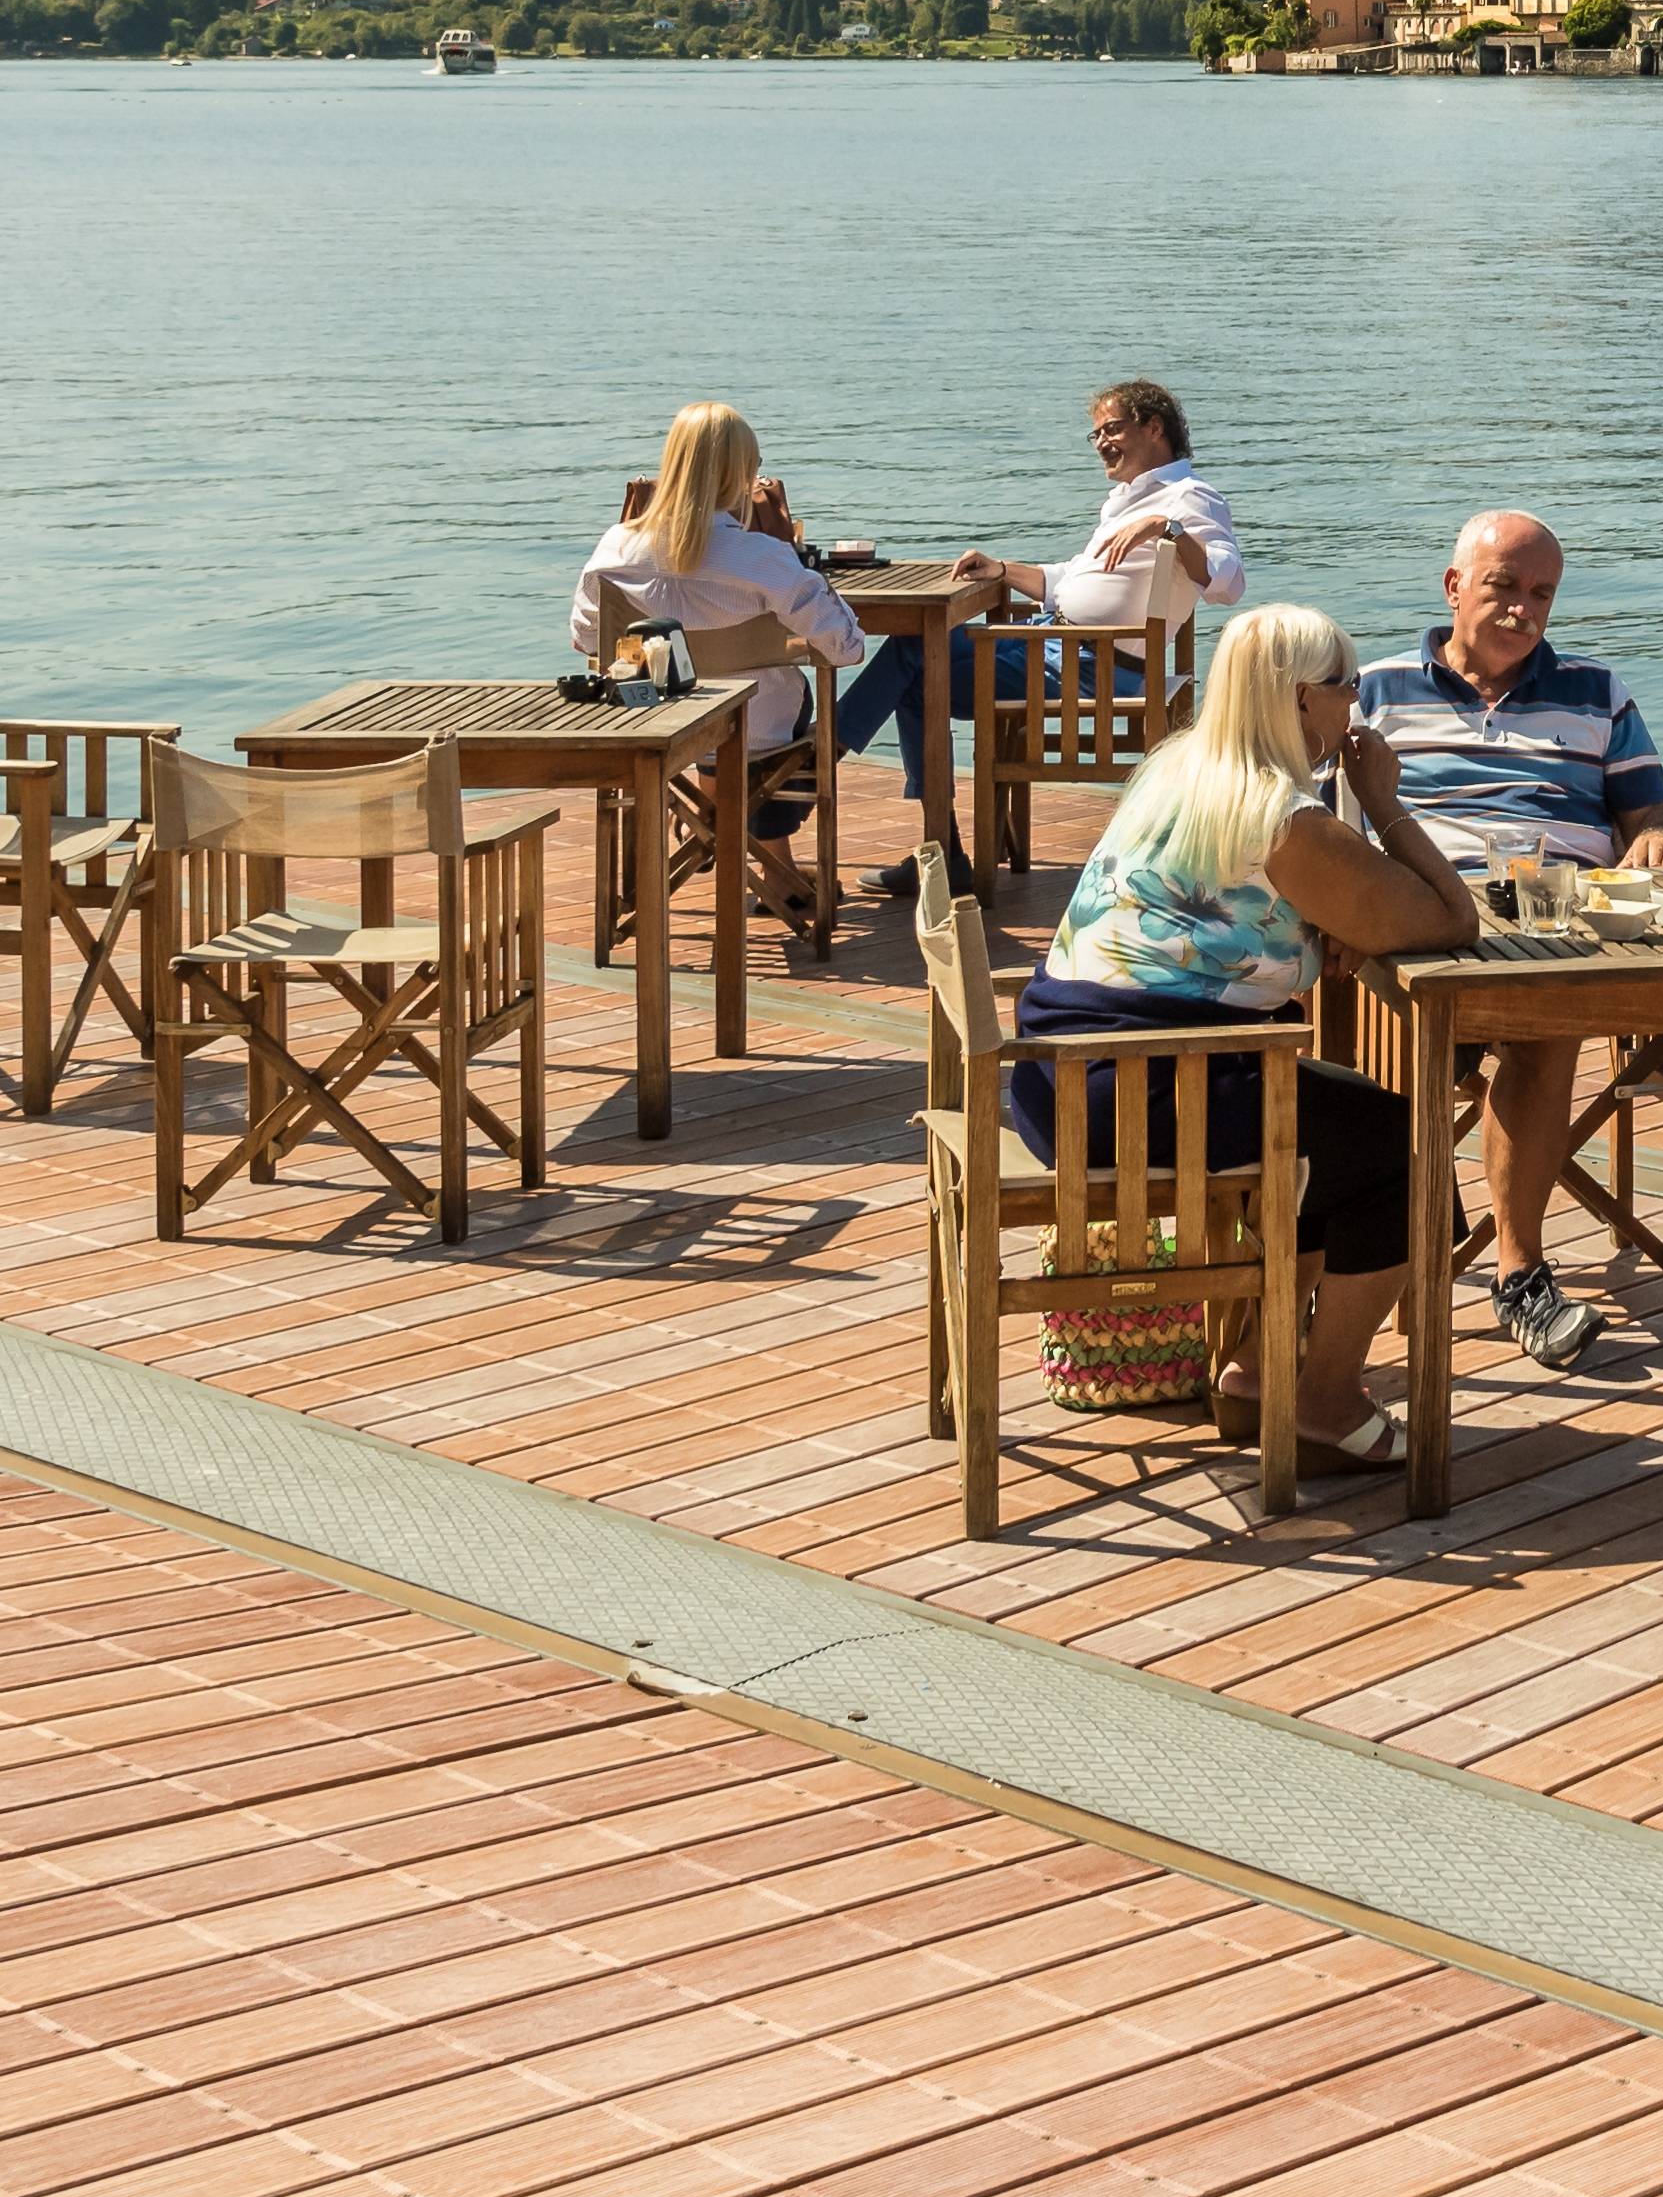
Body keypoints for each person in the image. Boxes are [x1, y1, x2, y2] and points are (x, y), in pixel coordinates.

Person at [1002, 601, 1478, 1473]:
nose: (1356, 708)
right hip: (1144, 1086)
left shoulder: (1181, 769)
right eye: (1346, 687)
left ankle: (1262, 1373)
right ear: (1300, 700)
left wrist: (1331, 917)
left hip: (1061, 1077)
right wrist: (1385, 805)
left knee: (1354, 1124)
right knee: (1408, 1155)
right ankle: (1324, 1399)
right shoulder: (1283, 818)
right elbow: (1451, 917)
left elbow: (1257, 911)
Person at [1355, 510, 1663, 1368]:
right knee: (1390, 1035)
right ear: (1454, 587)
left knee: (1548, 1026)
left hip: (1560, 925)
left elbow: (1650, 814)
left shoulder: (1598, 692)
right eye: (1503, 586)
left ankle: (1519, 1273)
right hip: (1419, 924)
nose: (1522, 609)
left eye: (1540, 593)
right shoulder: (1374, 690)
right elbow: (1327, 832)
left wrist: (1660, 839)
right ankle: (1384, 1225)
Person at [843, 378, 1247, 900]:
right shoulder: (1126, 502)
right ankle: (937, 848)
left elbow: (1227, 582)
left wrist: (1166, 529)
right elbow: (1071, 583)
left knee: (918, 656)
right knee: (918, 655)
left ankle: (833, 767)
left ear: (1154, 428)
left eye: (1113, 429)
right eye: (1096, 433)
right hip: (1050, 646)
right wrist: (1005, 569)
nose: (1102, 442)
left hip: (1087, 670)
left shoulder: (1189, 499)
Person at [575, 406, 867, 908]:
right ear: (741, 475)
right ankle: (752, 852)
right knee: (772, 708)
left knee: (719, 714)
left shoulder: (616, 547)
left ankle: (706, 822)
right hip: (756, 730)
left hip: (654, 721)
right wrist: (811, 579)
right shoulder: (764, 558)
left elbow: (585, 639)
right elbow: (846, 649)